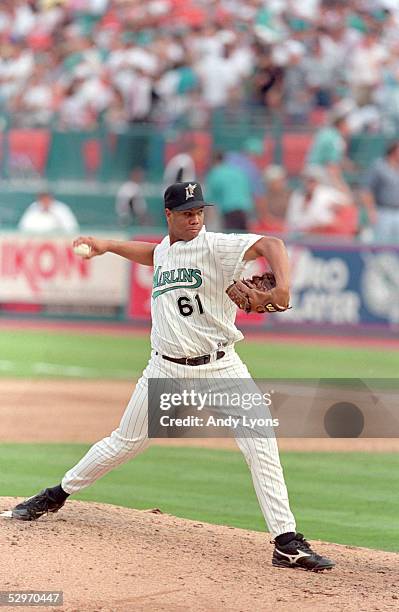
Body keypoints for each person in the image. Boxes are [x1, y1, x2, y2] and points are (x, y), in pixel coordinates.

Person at [10, 181, 334, 572]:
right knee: (123, 444)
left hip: (221, 367)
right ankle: (55, 494)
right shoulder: (166, 249)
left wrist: (283, 285)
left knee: (260, 443)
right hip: (164, 369)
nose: (195, 217)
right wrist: (108, 245)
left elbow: (273, 245)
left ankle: (286, 542)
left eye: (199, 210)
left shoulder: (216, 245)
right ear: (169, 216)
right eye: (186, 213)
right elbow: (153, 253)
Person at [286, 166, 354, 236]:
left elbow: (348, 202)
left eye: (311, 180)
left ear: (318, 181)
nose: (308, 184)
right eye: (306, 180)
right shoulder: (297, 195)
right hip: (300, 233)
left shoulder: (326, 193)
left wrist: (338, 207)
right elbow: (292, 219)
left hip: (323, 232)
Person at [361, 141, 399, 243]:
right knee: (382, 244)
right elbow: (366, 190)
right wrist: (370, 211)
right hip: (383, 211)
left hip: (397, 212)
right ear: (393, 151)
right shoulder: (379, 166)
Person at [206, 152, 253, 231]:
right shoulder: (238, 172)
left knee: (231, 239)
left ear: (213, 160)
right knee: (244, 239)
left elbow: (209, 199)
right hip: (244, 210)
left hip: (229, 211)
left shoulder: (215, 173)